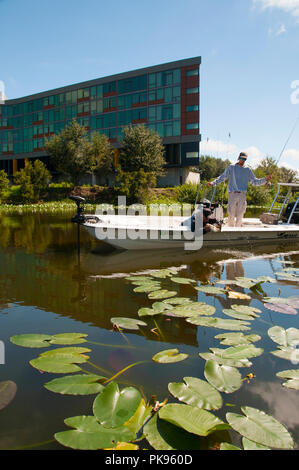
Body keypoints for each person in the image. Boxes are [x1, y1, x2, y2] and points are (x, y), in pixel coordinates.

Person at [208, 152, 271, 227]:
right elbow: (222, 177)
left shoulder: (248, 169)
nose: (243, 160)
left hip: (242, 195)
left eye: (244, 159)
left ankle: (237, 230)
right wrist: (213, 183)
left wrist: (265, 179)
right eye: (241, 158)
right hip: (232, 194)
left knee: (240, 215)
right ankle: (231, 230)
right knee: (231, 214)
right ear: (238, 157)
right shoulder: (231, 167)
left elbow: (255, 182)